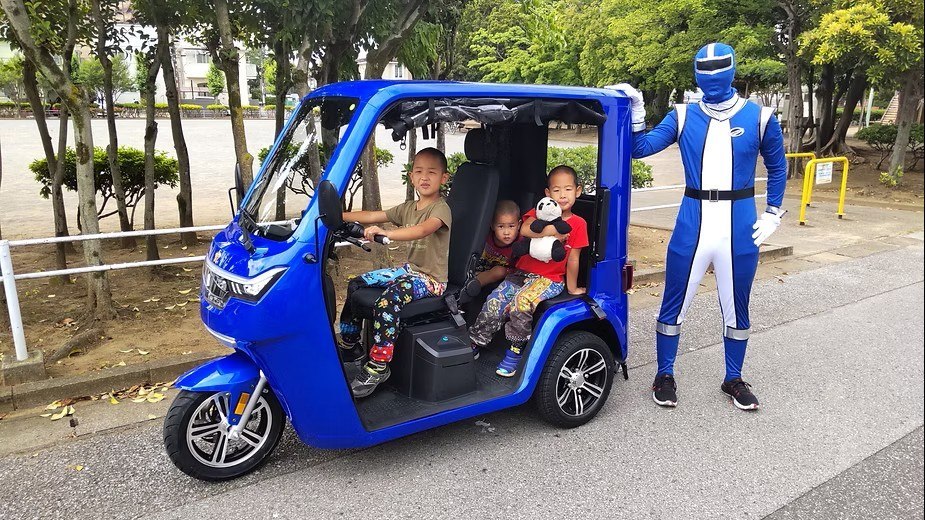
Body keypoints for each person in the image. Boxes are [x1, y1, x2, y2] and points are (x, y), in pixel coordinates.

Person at [612, 42, 787, 411]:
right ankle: (664, 374)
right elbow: (639, 148)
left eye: (719, 68)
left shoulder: (760, 117)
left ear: (732, 70)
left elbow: (777, 165)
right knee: (673, 301)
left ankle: (733, 377)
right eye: (703, 70)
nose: (712, 76)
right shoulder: (682, 115)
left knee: (737, 305)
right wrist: (636, 111)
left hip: (739, 221)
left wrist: (774, 212)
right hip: (693, 219)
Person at [337, 147, 452, 398]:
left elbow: (423, 230)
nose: (424, 177)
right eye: (419, 171)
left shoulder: (440, 209)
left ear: (444, 178)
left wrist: (387, 233)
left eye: (432, 172)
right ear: (411, 176)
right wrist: (334, 214)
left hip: (431, 279)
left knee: (388, 300)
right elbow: (372, 215)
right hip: (409, 271)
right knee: (357, 283)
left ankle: (379, 365)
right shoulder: (408, 207)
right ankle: (350, 345)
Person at [468, 166, 589, 377]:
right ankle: (477, 340)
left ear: (577, 191)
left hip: (549, 279)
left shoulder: (579, 224)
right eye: (556, 190)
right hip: (521, 273)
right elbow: (525, 229)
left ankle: (515, 351)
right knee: (495, 299)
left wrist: (572, 288)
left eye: (568, 189)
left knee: (521, 302)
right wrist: (555, 230)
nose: (562, 195)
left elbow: (573, 258)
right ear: (547, 193)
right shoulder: (538, 212)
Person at [468, 200, 522, 359]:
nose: (507, 232)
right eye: (501, 226)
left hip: (508, 276)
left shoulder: (521, 244)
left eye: (511, 226)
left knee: (498, 276)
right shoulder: (484, 236)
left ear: (519, 225)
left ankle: (475, 342)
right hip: (482, 269)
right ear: (492, 225)